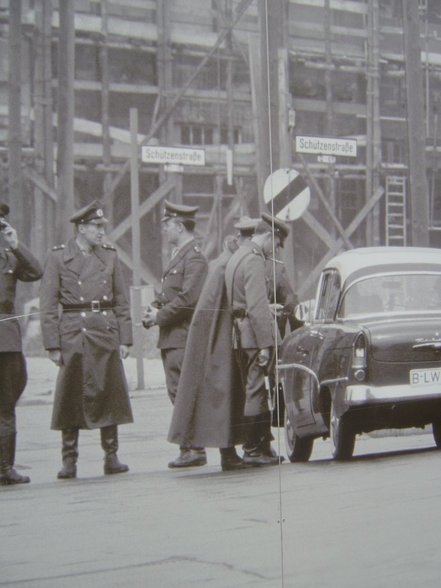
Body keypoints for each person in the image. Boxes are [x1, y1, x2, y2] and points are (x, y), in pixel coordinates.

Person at [40, 200, 133, 479]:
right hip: (73, 334)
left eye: (102, 226)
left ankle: (111, 456)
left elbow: (121, 301)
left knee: (109, 393)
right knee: (70, 396)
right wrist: (52, 344)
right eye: (95, 226)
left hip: (103, 332)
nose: (101, 232)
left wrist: (125, 339)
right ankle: (69, 460)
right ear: (81, 228)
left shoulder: (110, 256)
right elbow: (47, 305)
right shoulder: (58, 258)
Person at [167, 234, 248, 471]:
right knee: (225, 396)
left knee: (220, 397)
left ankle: (219, 451)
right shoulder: (227, 266)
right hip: (220, 341)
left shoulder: (221, 264)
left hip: (213, 338)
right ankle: (230, 452)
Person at [143, 200, 208, 468]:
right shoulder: (180, 256)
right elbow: (171, 296)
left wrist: (158, 316)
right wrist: (155, 309)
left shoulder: (194, 258)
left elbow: (187, 300)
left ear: (180, 226)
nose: (166, 229)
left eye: (169, 224)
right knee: (177, 392)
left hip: (183, 338)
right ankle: (189, 446)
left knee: (184, 393)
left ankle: (194, 448)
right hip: (173, 338)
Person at [224, 216, 281, 466]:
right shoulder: (255, 260)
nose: (275, 249)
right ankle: (253, 448)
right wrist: (266, 345)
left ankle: (261, 446)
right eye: (276, 243)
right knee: (257, 391)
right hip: (252, 336)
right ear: (267, 236)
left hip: (238, 334)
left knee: (253, 389)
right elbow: (257, 306)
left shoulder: (237, 256)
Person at [0, 202, 43, 485]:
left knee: (7, 401)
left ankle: (5, 467)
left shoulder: (9, 256)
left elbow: (36, 271)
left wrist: (15, 244)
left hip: (6, 339)